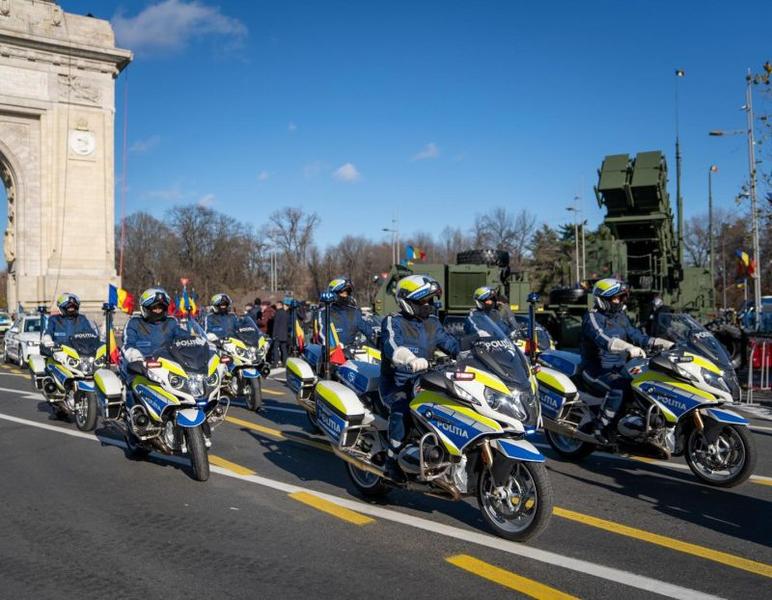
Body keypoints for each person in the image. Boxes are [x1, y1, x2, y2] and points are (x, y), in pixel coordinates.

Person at [380, 275, 460, 481]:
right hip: (398, 382)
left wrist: (472, 349)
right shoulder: (392, 321)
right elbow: (392, 346)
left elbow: (450, 344)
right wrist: (408, 358)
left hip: (427, 381)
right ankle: (392, 459)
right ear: (407, 301)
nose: (428, 305)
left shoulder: (432, 322)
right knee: (402, 409)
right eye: (422, 301)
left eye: (430, 301)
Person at [580, 278, 672, 442]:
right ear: (604, 299)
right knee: (620, 387)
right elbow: (603, 339)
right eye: (616, 298)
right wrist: (628, 348)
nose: (620, 302)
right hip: (596, 370)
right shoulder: (592, 317)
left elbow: (636, 335)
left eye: (622, 298)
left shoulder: (620, 316)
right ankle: (600, 428)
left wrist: (662, 343)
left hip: (621, 366)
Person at [122, 288, 186, 369]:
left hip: (167, 366)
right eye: (154, 308)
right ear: (145, 308)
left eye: (160, 308)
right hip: (140, 368)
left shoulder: (171, 322)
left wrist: (199, 342)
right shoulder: (134, 323)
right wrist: (137, 359)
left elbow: (185, 339)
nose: (157, 310)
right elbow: (128, 345)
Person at [318, 277, 376, 351]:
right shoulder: (324, 313)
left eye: (347, 293)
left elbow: (370, 333)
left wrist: (380, 340)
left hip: (351, 355)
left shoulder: (354, 313)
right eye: (342, 293)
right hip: (330, 356)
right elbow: (322, 335)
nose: (345, 296)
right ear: (333, 293)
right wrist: (335, 347)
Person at [271, 300, 289, 366]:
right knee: (284, 349)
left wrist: (273, 335)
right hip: (284, 334)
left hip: (278, 334)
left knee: (275, 348)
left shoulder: (278, 313)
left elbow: (276, 324)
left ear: (281, 305)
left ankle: (276, 362)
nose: (276, 306)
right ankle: (285, 362)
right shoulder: (285, 313)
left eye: (277, 305)